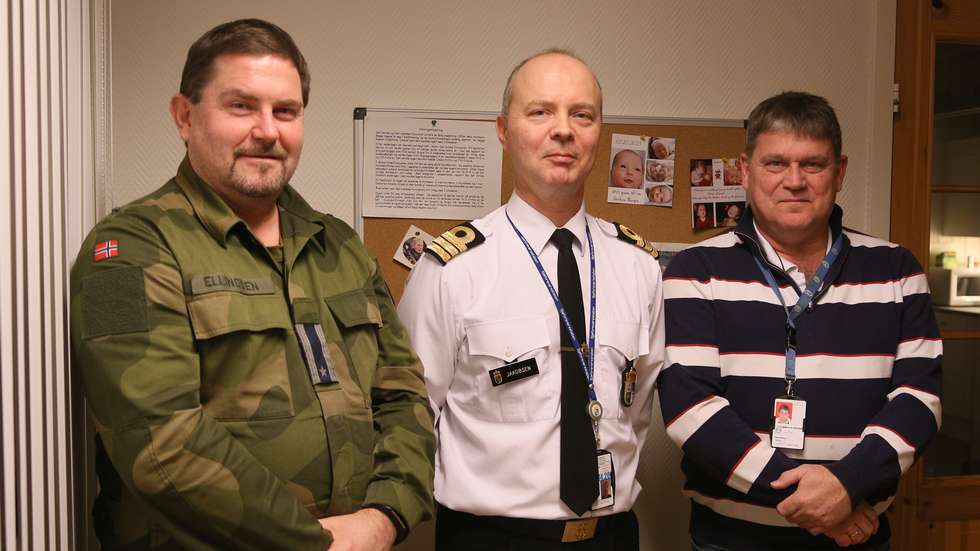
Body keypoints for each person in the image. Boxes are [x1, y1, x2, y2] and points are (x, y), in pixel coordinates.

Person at [69, 19, 435, 550]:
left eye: (286, 111)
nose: (267, 131)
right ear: (184, 116)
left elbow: (404, 395)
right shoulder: (127, 250)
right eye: (241, 106)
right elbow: (161, 442)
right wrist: (316, 544)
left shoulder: (341, 246)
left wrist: (384, 518)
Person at [398, 48, 665, 550]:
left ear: (598, 132)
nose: (563, 130)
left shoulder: (639, 267)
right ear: (503, 130)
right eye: (540, 112)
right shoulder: (452, 269)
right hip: (489, 538)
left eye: (581, 115)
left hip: (609, 537)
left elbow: (638, 409)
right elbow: (408, 414)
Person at [658, 91, 942, 550]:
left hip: (859, 538)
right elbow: (691, 408)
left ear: (839, 171)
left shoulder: (896, 270)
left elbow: (920, 399)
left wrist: (846, 485)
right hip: (733, 540)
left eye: (812, 164)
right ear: (745, 171)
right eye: (775, 164)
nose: (794, 181)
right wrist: (818, 504)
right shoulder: (695, 270)